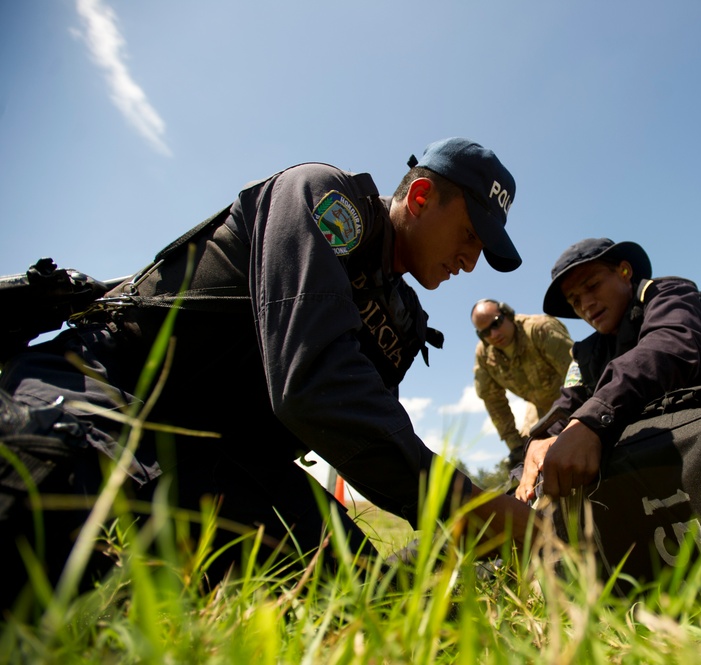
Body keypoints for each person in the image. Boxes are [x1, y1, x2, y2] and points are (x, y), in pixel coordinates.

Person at [0, 137, 535, 606]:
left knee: (356, 594)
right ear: (420, 198)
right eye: (469, 235)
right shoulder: (325, 197)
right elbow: (314, 384)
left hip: (219, 456)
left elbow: (363, 427)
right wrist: (467, 503)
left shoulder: (399, 318)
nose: (471, 260)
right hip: (109, 383)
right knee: (54, 485)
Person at [516, 237, 701, 502]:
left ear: (625, 272)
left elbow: (666, 350)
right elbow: (569, 402)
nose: (586, 304)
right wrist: (540, 442)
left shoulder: (670, 295)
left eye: (592, 286)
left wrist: (592, 420)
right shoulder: (587, 353)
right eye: (574, 300)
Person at [470, 299, 573, 467]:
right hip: (538, 407)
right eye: (485, 333)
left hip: (571, 397)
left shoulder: (540, 329)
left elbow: (577, 373)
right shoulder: (484, 355)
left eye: (496, 324)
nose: (493, 335)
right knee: (528, 454)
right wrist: (515, 446)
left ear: (508, 314)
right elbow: (493, 400)